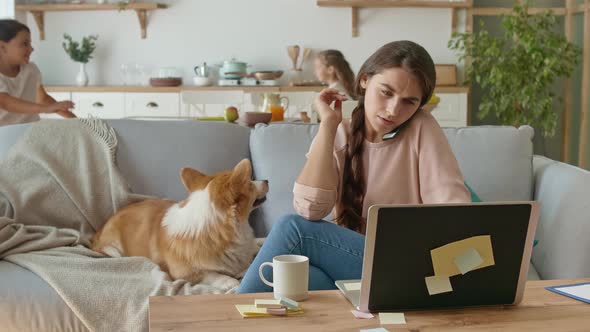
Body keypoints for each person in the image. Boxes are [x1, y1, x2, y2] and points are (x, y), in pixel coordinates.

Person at [237, 40, 471, 293]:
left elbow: (453, 211)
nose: (393, 109)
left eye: (409, 102)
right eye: (386, 92)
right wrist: (328, 125)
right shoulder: (340, 132)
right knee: (294, 278)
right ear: (364, 80)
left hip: (409, 268)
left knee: (292, 229)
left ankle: (228, 317)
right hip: (361, 269)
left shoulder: (422, 127)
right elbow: (310, 209)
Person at [0, 19, 75, 127]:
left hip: (29, 133)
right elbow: (5, 102)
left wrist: (75, 120)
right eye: (25, 44)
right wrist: (46, 109)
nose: (31, 49)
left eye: (30, 43)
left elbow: (42, 98)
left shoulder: (31, 70)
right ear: (2, 47)